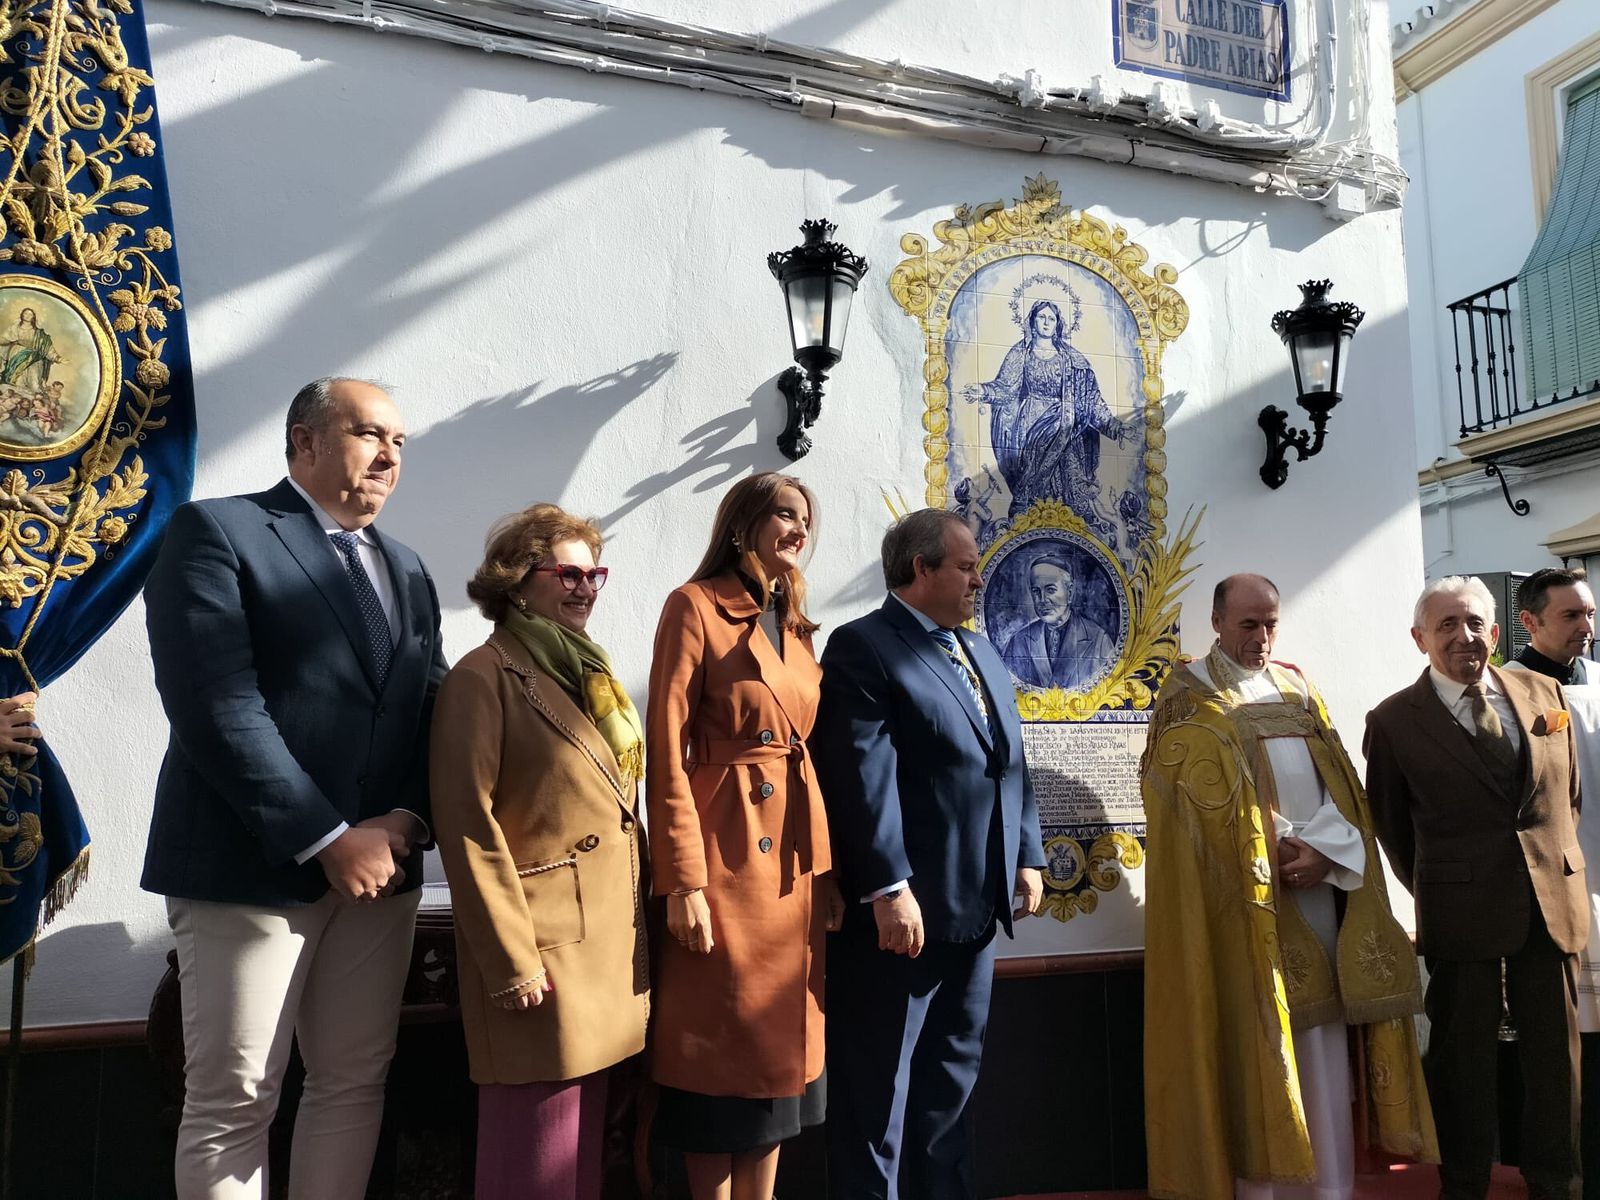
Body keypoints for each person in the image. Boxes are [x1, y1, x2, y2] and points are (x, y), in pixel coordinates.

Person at [141, 377, 447, 1200]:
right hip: (250, 870)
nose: (389, 455)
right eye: (369, 434)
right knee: (234, 1100)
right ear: (304, 441)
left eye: (399, 443)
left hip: (381, 873)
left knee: (352, 1084)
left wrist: (406, 820)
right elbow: (215, 704)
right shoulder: (218, 531)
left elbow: (429, 709)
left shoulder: (409, 570)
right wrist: (328, 837)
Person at [1140, 573, 1435, 1200]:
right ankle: (1262, 1189)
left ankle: (1327, 1187)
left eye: (1271, 623)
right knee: (1259, 1040)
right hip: (1241, 905)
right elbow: (1183, 800)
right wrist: (1264, 847)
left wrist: (1325, 854)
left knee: (1320, 1046)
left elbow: (1343, 787)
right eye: (1248, 624)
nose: (1263, 637)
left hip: (1318, 891)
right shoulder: (1187, 694)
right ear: (1217, 621)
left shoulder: (1297, 688)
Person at [812, 507, 1046, 1200]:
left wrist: (1026, 854)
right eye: (967, 566)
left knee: (952, 1091)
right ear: (922, 570)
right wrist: (888, 888)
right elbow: (862, 777)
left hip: (977, 913)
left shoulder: (980, 651)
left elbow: (1011, 764)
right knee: (877, 1096)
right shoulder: (864, 647)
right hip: (902, 921)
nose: (979, 580)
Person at [429, 503, 649, 1200]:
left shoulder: (588, 673)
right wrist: (511, 962)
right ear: (518, 581)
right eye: (569, 573)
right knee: (533, 1164)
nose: (585, 588)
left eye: (595, 574)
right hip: (542, 955)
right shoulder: (483, 676)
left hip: (607, 950)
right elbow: (467, 824)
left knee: (580, 1165)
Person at [645, 471, 844, 1200]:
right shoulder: (694, 607)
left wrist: (827, 875)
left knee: (774, 1071)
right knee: (721, 1058)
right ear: (742, 526)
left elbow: (804, 751)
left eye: (805, 517)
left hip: (790, 862)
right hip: (724, 851)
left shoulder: (791, 620)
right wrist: (682, 880)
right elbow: (666, 747)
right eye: (784, 514)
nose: (798, 528)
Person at [1365, 575, 1587, 1200]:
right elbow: (1390, 824)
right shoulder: (1392, 721)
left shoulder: (1544, 692)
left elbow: (1564, 796)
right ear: (1420, 639)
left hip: (1551, 905)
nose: (1462, 638)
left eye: (1473, 625)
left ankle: (1557, 1183)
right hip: (1461, 913)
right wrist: (1446, 884)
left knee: (1555, 1064)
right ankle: (1463, 1182)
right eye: (1445, 626)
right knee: (1463, 1063)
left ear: (1495, 633)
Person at [1505, 567, 1600, 1198]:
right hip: (1557, 890)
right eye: (1571, 617)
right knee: (1564, 1049)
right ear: (1530, 621)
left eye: (1590, 614)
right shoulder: (1508, 693)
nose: (1587, 629)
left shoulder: (1594, 683)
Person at [959, 298, 1132, 524]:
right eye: (1042, 317)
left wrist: (1117, 428)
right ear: (1032, 322)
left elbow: (1091, 400)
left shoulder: (1071, 358)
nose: (1047, 322)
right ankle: (1027, 521)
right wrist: (982, 391)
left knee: (1071, 477)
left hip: (1066, 426)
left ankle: (1073, 526)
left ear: (1058, 324)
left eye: (1052, 318)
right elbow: (1006, 387)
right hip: (1032, 424)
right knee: (1030, 487)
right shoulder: (1021, 353)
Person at [1000, 552, 1116, 690]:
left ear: (1070, 592)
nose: (1042, 600)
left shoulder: (1098, 640)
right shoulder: (1018, 641)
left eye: (1050, 590)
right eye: (1036, 591)